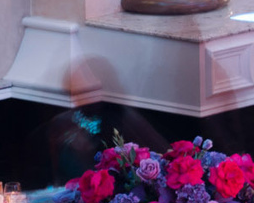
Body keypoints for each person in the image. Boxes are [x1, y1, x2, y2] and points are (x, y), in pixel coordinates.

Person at [37, 57, 166, 186]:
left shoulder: (127, 121)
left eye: (88, 90)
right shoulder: (61, 124)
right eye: (75, 92)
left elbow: (161, 163)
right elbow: (53, 178)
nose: (82, 98)